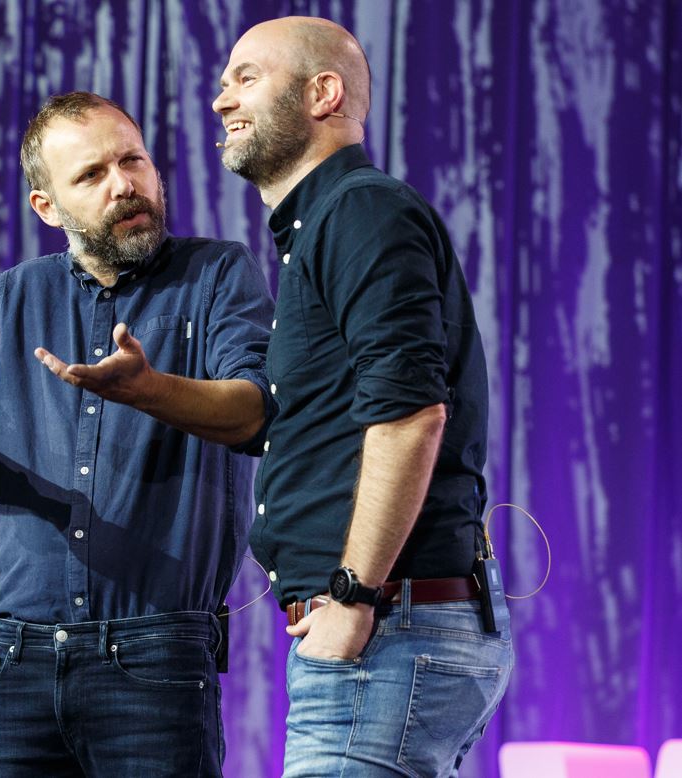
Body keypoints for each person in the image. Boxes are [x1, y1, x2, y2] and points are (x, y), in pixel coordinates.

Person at [0, 91, 274, 777]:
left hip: (155, 650)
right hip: (22, 658)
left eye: (134, 161)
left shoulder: (216, 274)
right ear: (46, 207)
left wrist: (148, 389)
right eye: (92, 175)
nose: (124, 184)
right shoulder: (11, 297)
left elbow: (253, 413)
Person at [213, 17, 513, 777]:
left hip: (388, 631)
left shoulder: (358, 210)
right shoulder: (326, 224)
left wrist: (351, 597)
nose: (221, 100)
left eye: (247, 76)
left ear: (324, 93)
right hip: (392, 630)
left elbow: (411, 414)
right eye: (223, 80)